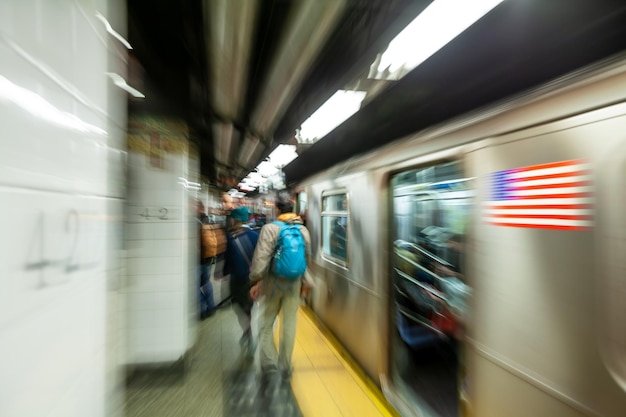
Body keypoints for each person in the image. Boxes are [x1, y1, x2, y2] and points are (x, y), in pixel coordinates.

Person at [249, 197, 313, 379]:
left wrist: (255, 281)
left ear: (277, 210)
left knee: (265, 323)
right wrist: (305, 282)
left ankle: (270, 363)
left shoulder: (270, 229)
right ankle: (285, 365)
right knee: (290, 323)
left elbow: (261, 259)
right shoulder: (303, 230)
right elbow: (307, 259)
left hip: (273, 282)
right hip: (295, 283)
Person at [223, 206, 259, 357]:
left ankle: (247, 332)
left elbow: (229, 259)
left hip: (237, 279)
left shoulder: (231, 238)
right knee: (248, 306)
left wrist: (223, 273)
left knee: (238, 306)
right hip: (251, 279)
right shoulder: (255, 235)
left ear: (235, 219)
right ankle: (248, 331)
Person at [197, 200, 216, 319]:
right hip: (208, 258)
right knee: (206, 283)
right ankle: (211, 306)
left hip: (198, 261)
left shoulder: (194, 222)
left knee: (194, 287)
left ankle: (203, 309)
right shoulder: (207, 219)